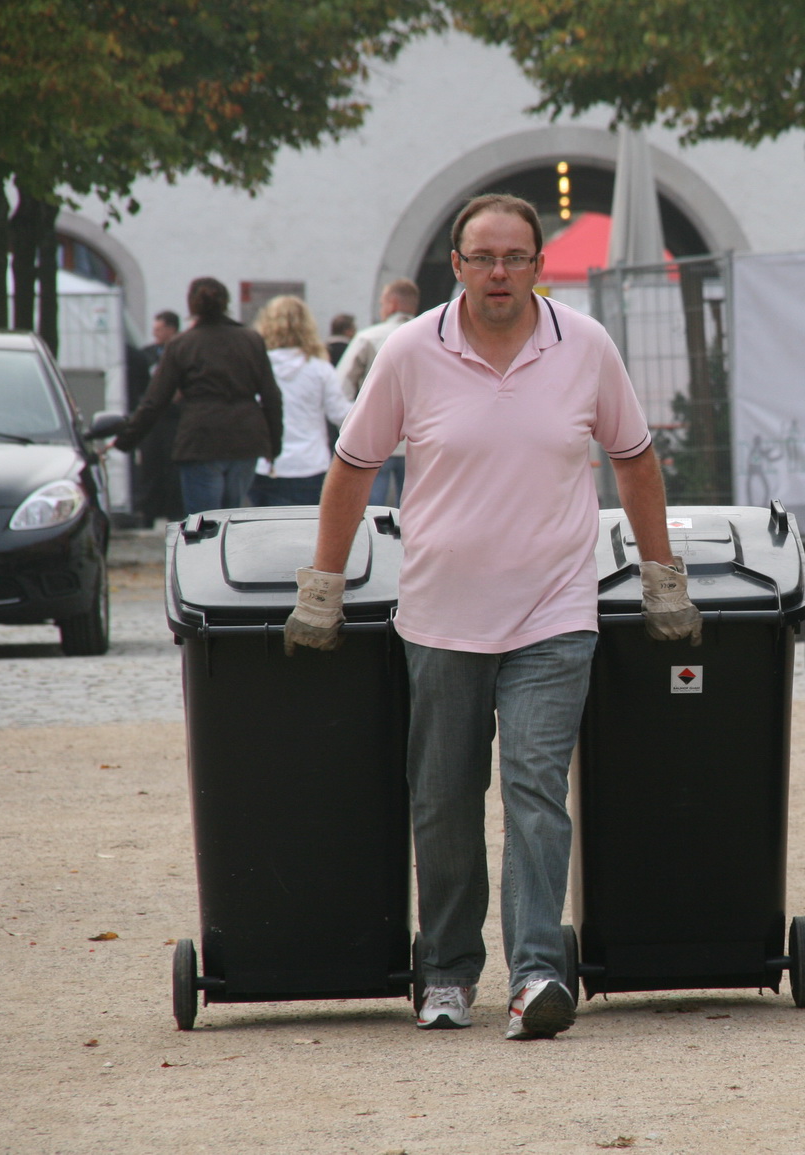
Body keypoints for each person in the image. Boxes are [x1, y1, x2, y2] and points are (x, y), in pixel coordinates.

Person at [283, 194, 700, 1040]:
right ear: (458, 265)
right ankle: (443, 971)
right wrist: (322, 588)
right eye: (483, 257)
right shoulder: (410, 351)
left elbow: (635, 459)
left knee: (536, 790)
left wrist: (663, 578)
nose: (499, 272)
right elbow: (352, 469)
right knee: (442, 799)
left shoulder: (585, 346)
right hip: (441, 614)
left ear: (541, 263)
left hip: (555, 608)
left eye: (515, 256)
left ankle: (539, 974)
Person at [113, 277, 282, 515]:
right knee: (233, 517)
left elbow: (155, 400)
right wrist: (273, 444)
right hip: (246, 437)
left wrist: (126, 440)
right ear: (226, 303)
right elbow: (271, 396)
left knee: (204, 522)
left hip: (201, 438)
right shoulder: (251, 340)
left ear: (191, 305)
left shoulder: (182, 344)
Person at [249, 296, 353, 506]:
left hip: (265, 464)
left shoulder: (256, 366)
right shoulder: (320, 368)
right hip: (309, 464)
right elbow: (340, 414)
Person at [334, 278, 419, 506]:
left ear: (391, 304)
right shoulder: (432, 338)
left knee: (373, 513)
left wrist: (352, 430)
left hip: (376, 440)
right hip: (418, 443)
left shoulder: (367, 337)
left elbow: (340, 387)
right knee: (414, 513)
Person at [130, 310, 184, 524]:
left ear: (172, 329)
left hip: (176, 419)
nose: (156, 334)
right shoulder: (148, 354)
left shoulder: (183, 350)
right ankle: (148, 511)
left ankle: (175, 511)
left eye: (159, 330)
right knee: (150, 466)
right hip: (154, 419)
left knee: (174, 468)